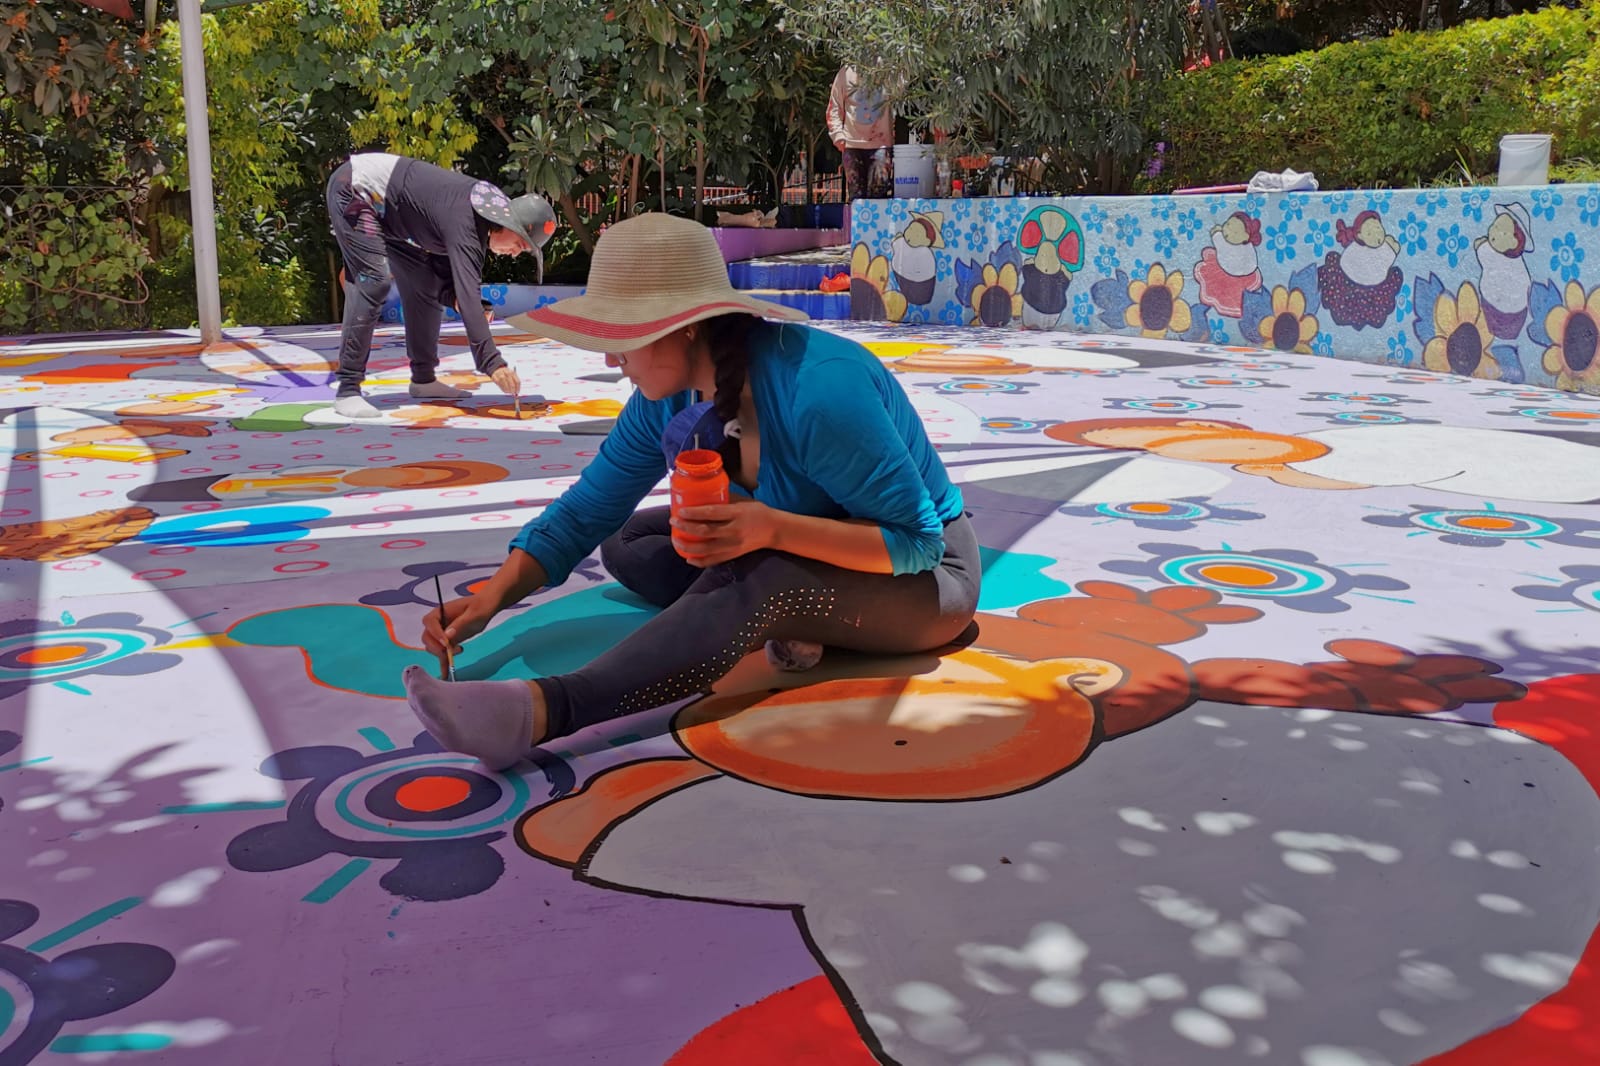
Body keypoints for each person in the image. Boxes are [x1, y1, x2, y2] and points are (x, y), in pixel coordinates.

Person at [401, 213, 981, 770]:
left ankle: (542, 710)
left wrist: (771, 529)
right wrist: (491, 599)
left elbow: (917, 543)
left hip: (925, 584)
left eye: (622, 335)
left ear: (684, 326)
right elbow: (586, 511)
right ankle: (769, 618)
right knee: (630, 544)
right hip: (813, 550)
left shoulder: (818, 391)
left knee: (759, 575)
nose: (610, 357)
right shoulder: (664, 397)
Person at [325, 152, 557, 419]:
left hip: (392, 218)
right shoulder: (467, 222)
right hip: (356, 189)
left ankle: (423, 379)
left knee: (424, 284)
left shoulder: (474, 222)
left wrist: (456, 300)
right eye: (519, 244)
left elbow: (444, 284)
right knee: (373, 281)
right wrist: (493, 362)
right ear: (507, 223)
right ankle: (348, 390)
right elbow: (469, 293)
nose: (515, 254)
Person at [826, 65, 894, 201]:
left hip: (880, 144)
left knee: (879, 197)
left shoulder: (888, 70)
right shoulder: (845, 73)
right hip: (852, 145)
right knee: (856, 198)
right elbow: (834, 107)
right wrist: (837, 135)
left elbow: (903, 90)